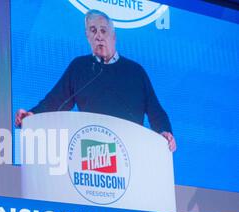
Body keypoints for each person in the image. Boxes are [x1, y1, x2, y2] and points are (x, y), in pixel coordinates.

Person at [15, 9, 176, 152]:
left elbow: (157, 112)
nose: (98, 36)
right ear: (87, 36)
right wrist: (32, 115)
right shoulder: (79, 67)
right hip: (92, 154)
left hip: (131, 152)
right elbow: (55, 101)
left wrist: (164, 132)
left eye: (103, 30)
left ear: (114, 36)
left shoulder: (135, 71)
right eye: (93, 31)